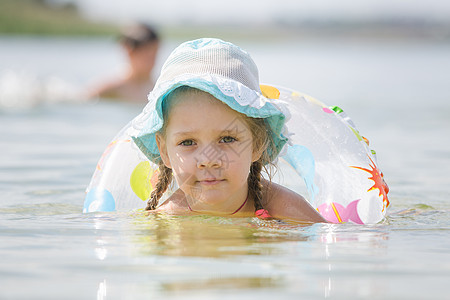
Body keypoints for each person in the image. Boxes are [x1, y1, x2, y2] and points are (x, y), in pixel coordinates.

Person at [131, 38, 326, 223]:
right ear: (165, 151)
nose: (208, 159)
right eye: (188, 142)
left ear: (257, 144)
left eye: (227, 139)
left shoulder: (285, 209)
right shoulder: (166, 220)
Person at [87, 23, 159, 103]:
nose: (151, 60)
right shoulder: (112, 87)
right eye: (146, 54)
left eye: (155, 53)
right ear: (129, 51)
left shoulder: (159, 90)